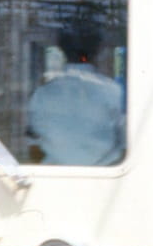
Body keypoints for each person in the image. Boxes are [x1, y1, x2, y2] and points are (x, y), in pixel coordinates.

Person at [25, 11, 127, 166]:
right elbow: (125, 140)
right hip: (106, 177)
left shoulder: (42, 93)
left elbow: (33, 140)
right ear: (98, 50)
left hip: (51, 178)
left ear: (61, 50)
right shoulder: (113, 92)